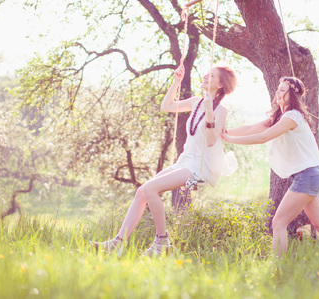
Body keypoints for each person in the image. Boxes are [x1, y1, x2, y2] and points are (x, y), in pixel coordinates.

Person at [93, 63, 238, 256]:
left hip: (200, 167)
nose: (204, 76)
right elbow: (167, 106)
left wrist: (210, 113)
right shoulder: (196, 101)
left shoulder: (221, 110)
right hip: (185, 160)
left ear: (220, 84)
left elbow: (211, 141)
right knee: (142, 192)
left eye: (211, 76)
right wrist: (177, 81)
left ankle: (162, 242)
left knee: (151, 189)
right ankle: (118, 243)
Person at [221, 76, 319, 257]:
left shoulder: (292, 116)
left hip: (307, 176)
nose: (278, 92)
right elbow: (252, 129)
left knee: (279, 223)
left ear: (293, 95)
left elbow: (263, 137)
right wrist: (225, 132)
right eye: (278, 89)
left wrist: (231, 140)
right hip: (313, 175)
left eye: (283, 90)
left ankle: (278, 263)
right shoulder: (281, 117)